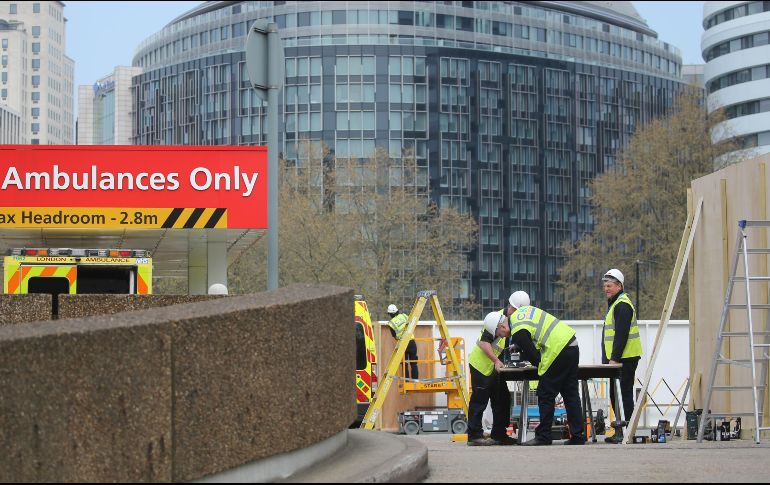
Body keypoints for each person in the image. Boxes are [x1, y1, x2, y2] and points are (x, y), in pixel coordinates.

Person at [494, 293, 587, 446]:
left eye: (501, 333)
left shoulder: (516, 325)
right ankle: (578, 435)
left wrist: (541, 370)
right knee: (570, 393)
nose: (503, 336)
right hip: (571, 344)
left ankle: (544, 436)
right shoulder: (527, 313)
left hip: (558, 350)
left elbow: (533, 355)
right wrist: (519, 345)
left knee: (545, 393)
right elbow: (536, 334)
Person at [465, 292, 530, 446]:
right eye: (517, 310)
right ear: (510, 307)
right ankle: (474, 436)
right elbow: (484, 343)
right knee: (479, 400)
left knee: (502, 399)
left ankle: (499, 434)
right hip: (481, 365)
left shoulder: (514, 321)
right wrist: (495, 360)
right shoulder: (495, 319)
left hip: (495, 367)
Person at [601, 268, 642, 444]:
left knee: (623, 394)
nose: (606, 288)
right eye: (605, 285)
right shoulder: (615, 304)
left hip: (624, 359)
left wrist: (614, 358)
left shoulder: (622, 305)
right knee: (616, 394)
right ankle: (621, 430)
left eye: (609, 285)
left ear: (619, 286)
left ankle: (627, 432)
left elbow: (621, 334)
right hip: (619, 359)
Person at [386, 304, 419, 380]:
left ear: (390, 314)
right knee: (413, 363)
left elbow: (394, 336)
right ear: (397, 311)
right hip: (411, 342)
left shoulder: (391, 323)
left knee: (405, 364)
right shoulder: (404, 316)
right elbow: (412, 324)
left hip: (402, 344)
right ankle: (415, 380)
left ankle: (406, 381)